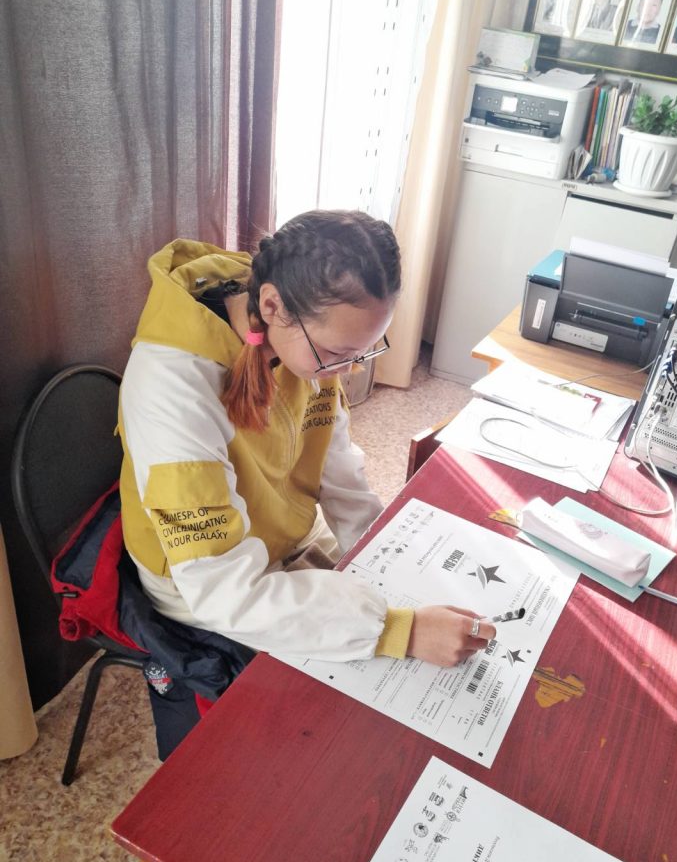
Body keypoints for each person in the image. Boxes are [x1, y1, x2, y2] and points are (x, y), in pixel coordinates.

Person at [118, 212, 495, 697]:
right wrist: (400, 630)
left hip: (282, 535)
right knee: (334, 698)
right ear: (271, 305)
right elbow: (221, 590)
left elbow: (339, 474)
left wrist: (385, 560)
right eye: (338, 353)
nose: (348, 370)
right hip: (203, 580)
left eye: (362, 351)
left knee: (396, 629)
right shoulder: (171, 384)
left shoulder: (307, 337)